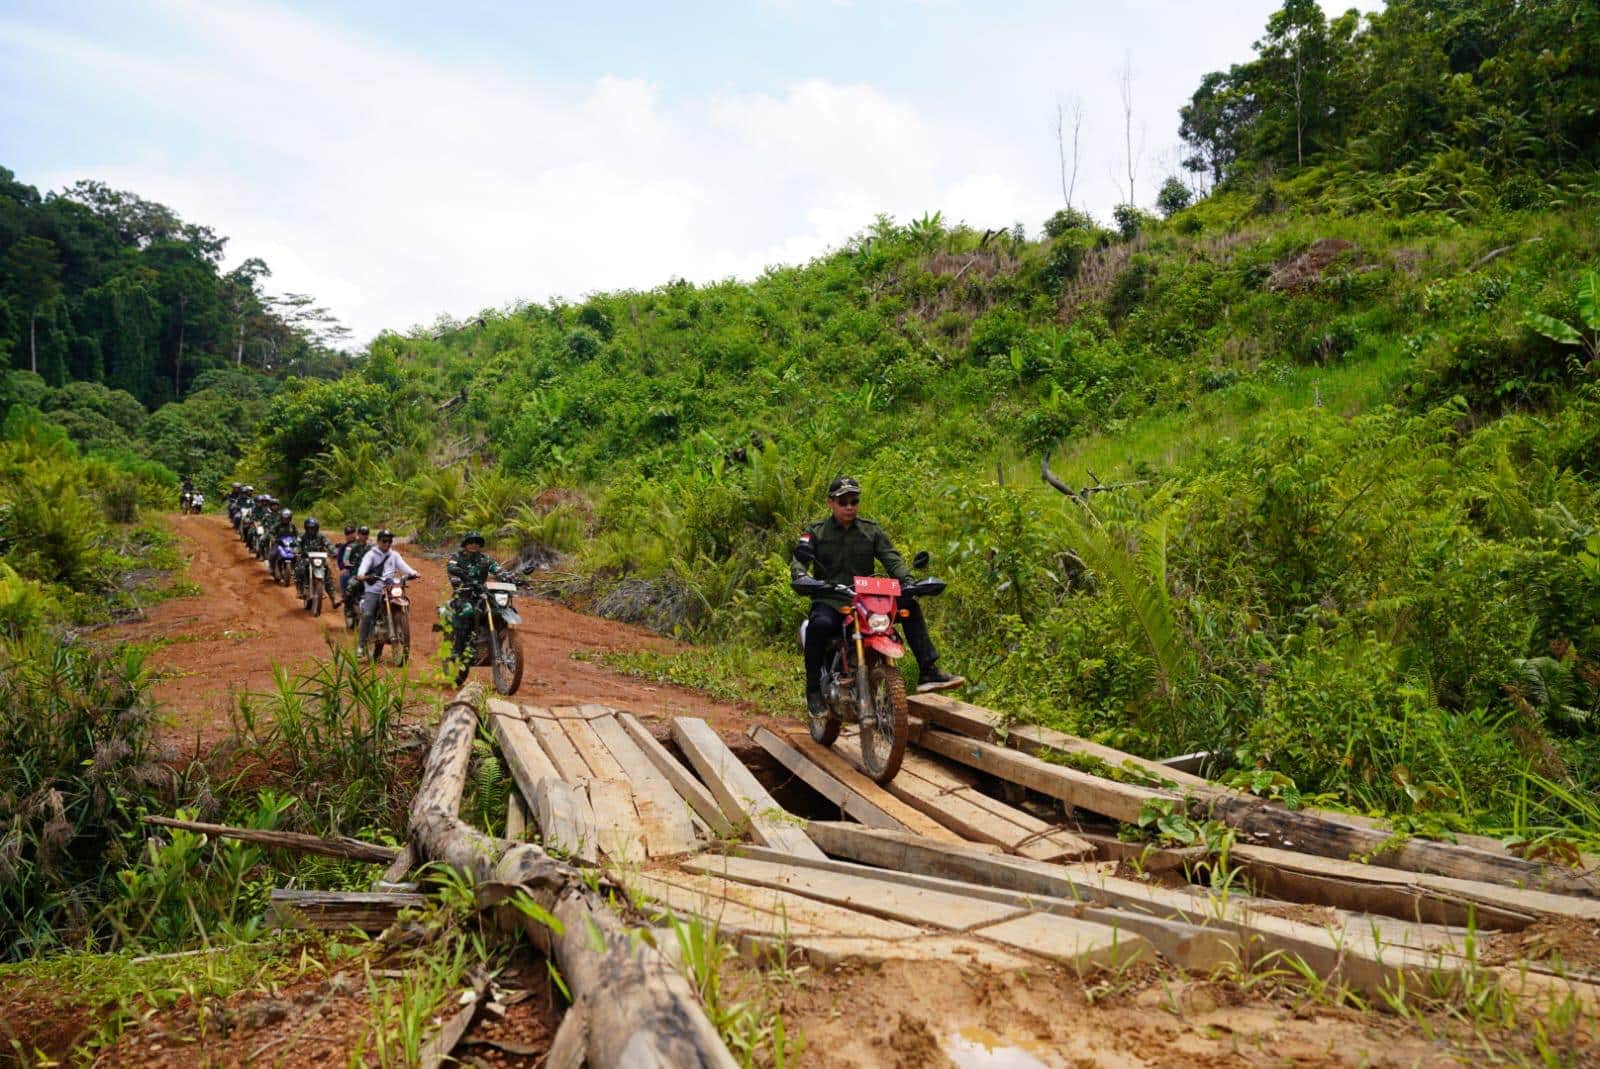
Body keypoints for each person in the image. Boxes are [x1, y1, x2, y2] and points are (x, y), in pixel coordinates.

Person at [790, 476, 963, 716]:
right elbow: (800, 560)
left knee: (910, 607)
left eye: (854, 501)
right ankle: (813, 691)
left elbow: (892, 559)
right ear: (830, 503)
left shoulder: (870, 530)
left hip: (866, 600)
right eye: (843, 502)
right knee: (819, 626)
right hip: (832, 598)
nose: (849, 506)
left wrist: (907, 581)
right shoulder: (816, 532)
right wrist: (801, 576)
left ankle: (928, 670)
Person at [445, 531, 507, 676]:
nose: (474, 544)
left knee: (499, 609)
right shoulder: (456, 557)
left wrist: (507, 575)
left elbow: (497, 568)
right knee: (467, 611)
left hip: (481, 593)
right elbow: (451, 568)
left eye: (477, 542)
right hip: (464, 593)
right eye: (471, 542)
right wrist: (459, 577)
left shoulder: (485, 559)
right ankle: (457, 649)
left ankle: (497, 642)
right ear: (465, 544)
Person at [354, 529, 420, 659]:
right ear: (378, 541)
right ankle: (361, 646)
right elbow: (363, 569)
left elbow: (404, 566)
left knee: (404, 601)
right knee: (367, 614)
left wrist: (413, 573)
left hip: (390, 589)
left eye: (390, 541)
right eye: (384, 541)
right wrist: (362, 575)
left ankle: (400, 627)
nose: (387, 543)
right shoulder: (371, 555)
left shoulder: (394, 555)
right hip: (374, 589)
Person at [295, 516, 334, 597]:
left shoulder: (321, 536)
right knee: (299, 568)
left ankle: (332, 596)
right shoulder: (302, 536)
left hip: (319, 559)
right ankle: (299, 589)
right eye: (309, 528)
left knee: (327, 572)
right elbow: (297, 543)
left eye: (313, 528)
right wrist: (296, 550)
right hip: (305, 558)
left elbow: (328, 543)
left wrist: (332, 550)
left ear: (316, 528)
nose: (311, 530)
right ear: (306, 528)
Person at [339, 525, 371, 603]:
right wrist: (347, 563)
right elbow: (345, 558)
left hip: (368, 574)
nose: (365, 536)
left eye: (366, 534)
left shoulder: (371, 547)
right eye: (363, 534)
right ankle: (347, 605)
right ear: (358, 534)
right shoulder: (350, 546)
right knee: (350, 587)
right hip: (355, 573)